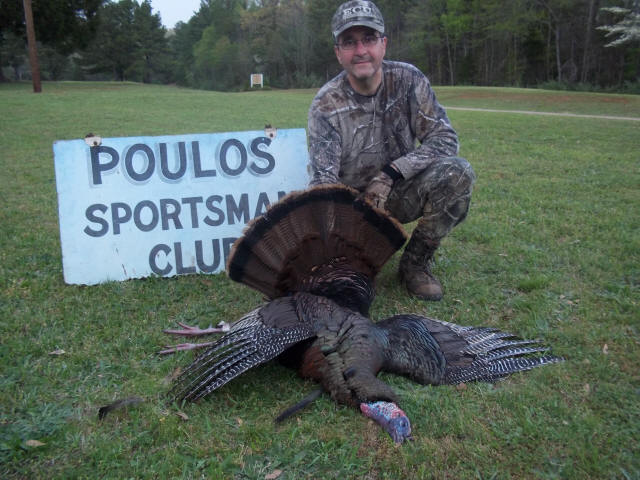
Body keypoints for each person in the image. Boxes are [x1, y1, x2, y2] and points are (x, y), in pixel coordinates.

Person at [307, 0, 476, 301]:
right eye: (349, 42)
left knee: (457, 173)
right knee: (345, 288)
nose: (360, 50)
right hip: (350, 211)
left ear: (383, 44)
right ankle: (350, 256)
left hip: (398, 194)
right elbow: (323, 181)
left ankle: (415, 264)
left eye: (369, 38)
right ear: (338, 53)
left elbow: (444, 138)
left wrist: (392, 173)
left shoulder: (409, 80)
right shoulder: (325, 104)